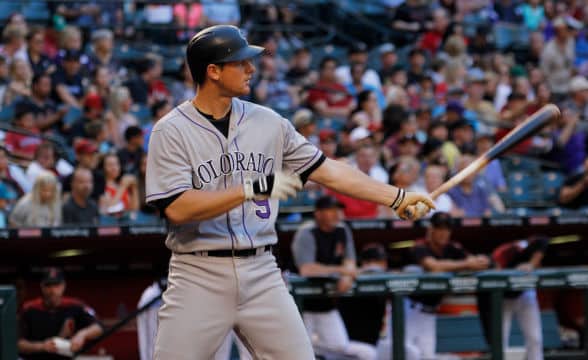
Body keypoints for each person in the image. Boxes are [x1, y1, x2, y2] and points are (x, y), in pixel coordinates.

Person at [145, 25, 434, 360]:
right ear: (213, 71)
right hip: (198, 273)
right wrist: (252, 188)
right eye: (241, 62)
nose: (251, 68)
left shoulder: (268, 122)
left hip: (261, 271)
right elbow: (178, 209)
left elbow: (329, 170)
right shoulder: (171, 131)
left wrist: (395, 197)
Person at [292, 195, 377, 359]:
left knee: (338, 345)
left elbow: (350, 261)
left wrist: (347, 277)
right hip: (301, 304)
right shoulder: (307, 232)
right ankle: (309, 345)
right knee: (299, 353)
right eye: (330, 210)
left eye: (337, 210)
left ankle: (313, 345)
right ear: (318, 213)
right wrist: (342, 271)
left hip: (326, 302)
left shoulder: (342, 230)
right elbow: (307, 269)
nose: (336, 214)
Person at [406, 212, 490, 360]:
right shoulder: (419, 246)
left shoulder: (451, 248)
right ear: (431, 229)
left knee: (427, 356)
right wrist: (466, 264)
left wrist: (479, 260)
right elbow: (433, 266)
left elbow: (474, 261)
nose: (444, 233)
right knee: (407, 353)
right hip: (408, 311)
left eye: (447, 229)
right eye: (440, 228)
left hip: (430, 313)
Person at [477, 235, 549, 360]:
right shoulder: (490, 265)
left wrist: (531, 264)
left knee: (535, 338)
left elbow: (543, 241)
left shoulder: (508, 251)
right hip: (504, 298)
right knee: (500, 340)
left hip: (525, 293)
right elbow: (483, 309)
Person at [18, 267, 103, 359]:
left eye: (56, 285)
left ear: (63, 285)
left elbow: (98, 327)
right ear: (42, 286)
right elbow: (16, 344)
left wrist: (82, 335)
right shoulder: (29, 309)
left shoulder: (75, 305)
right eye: (48, 285)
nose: (52, 290)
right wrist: (42, 346)